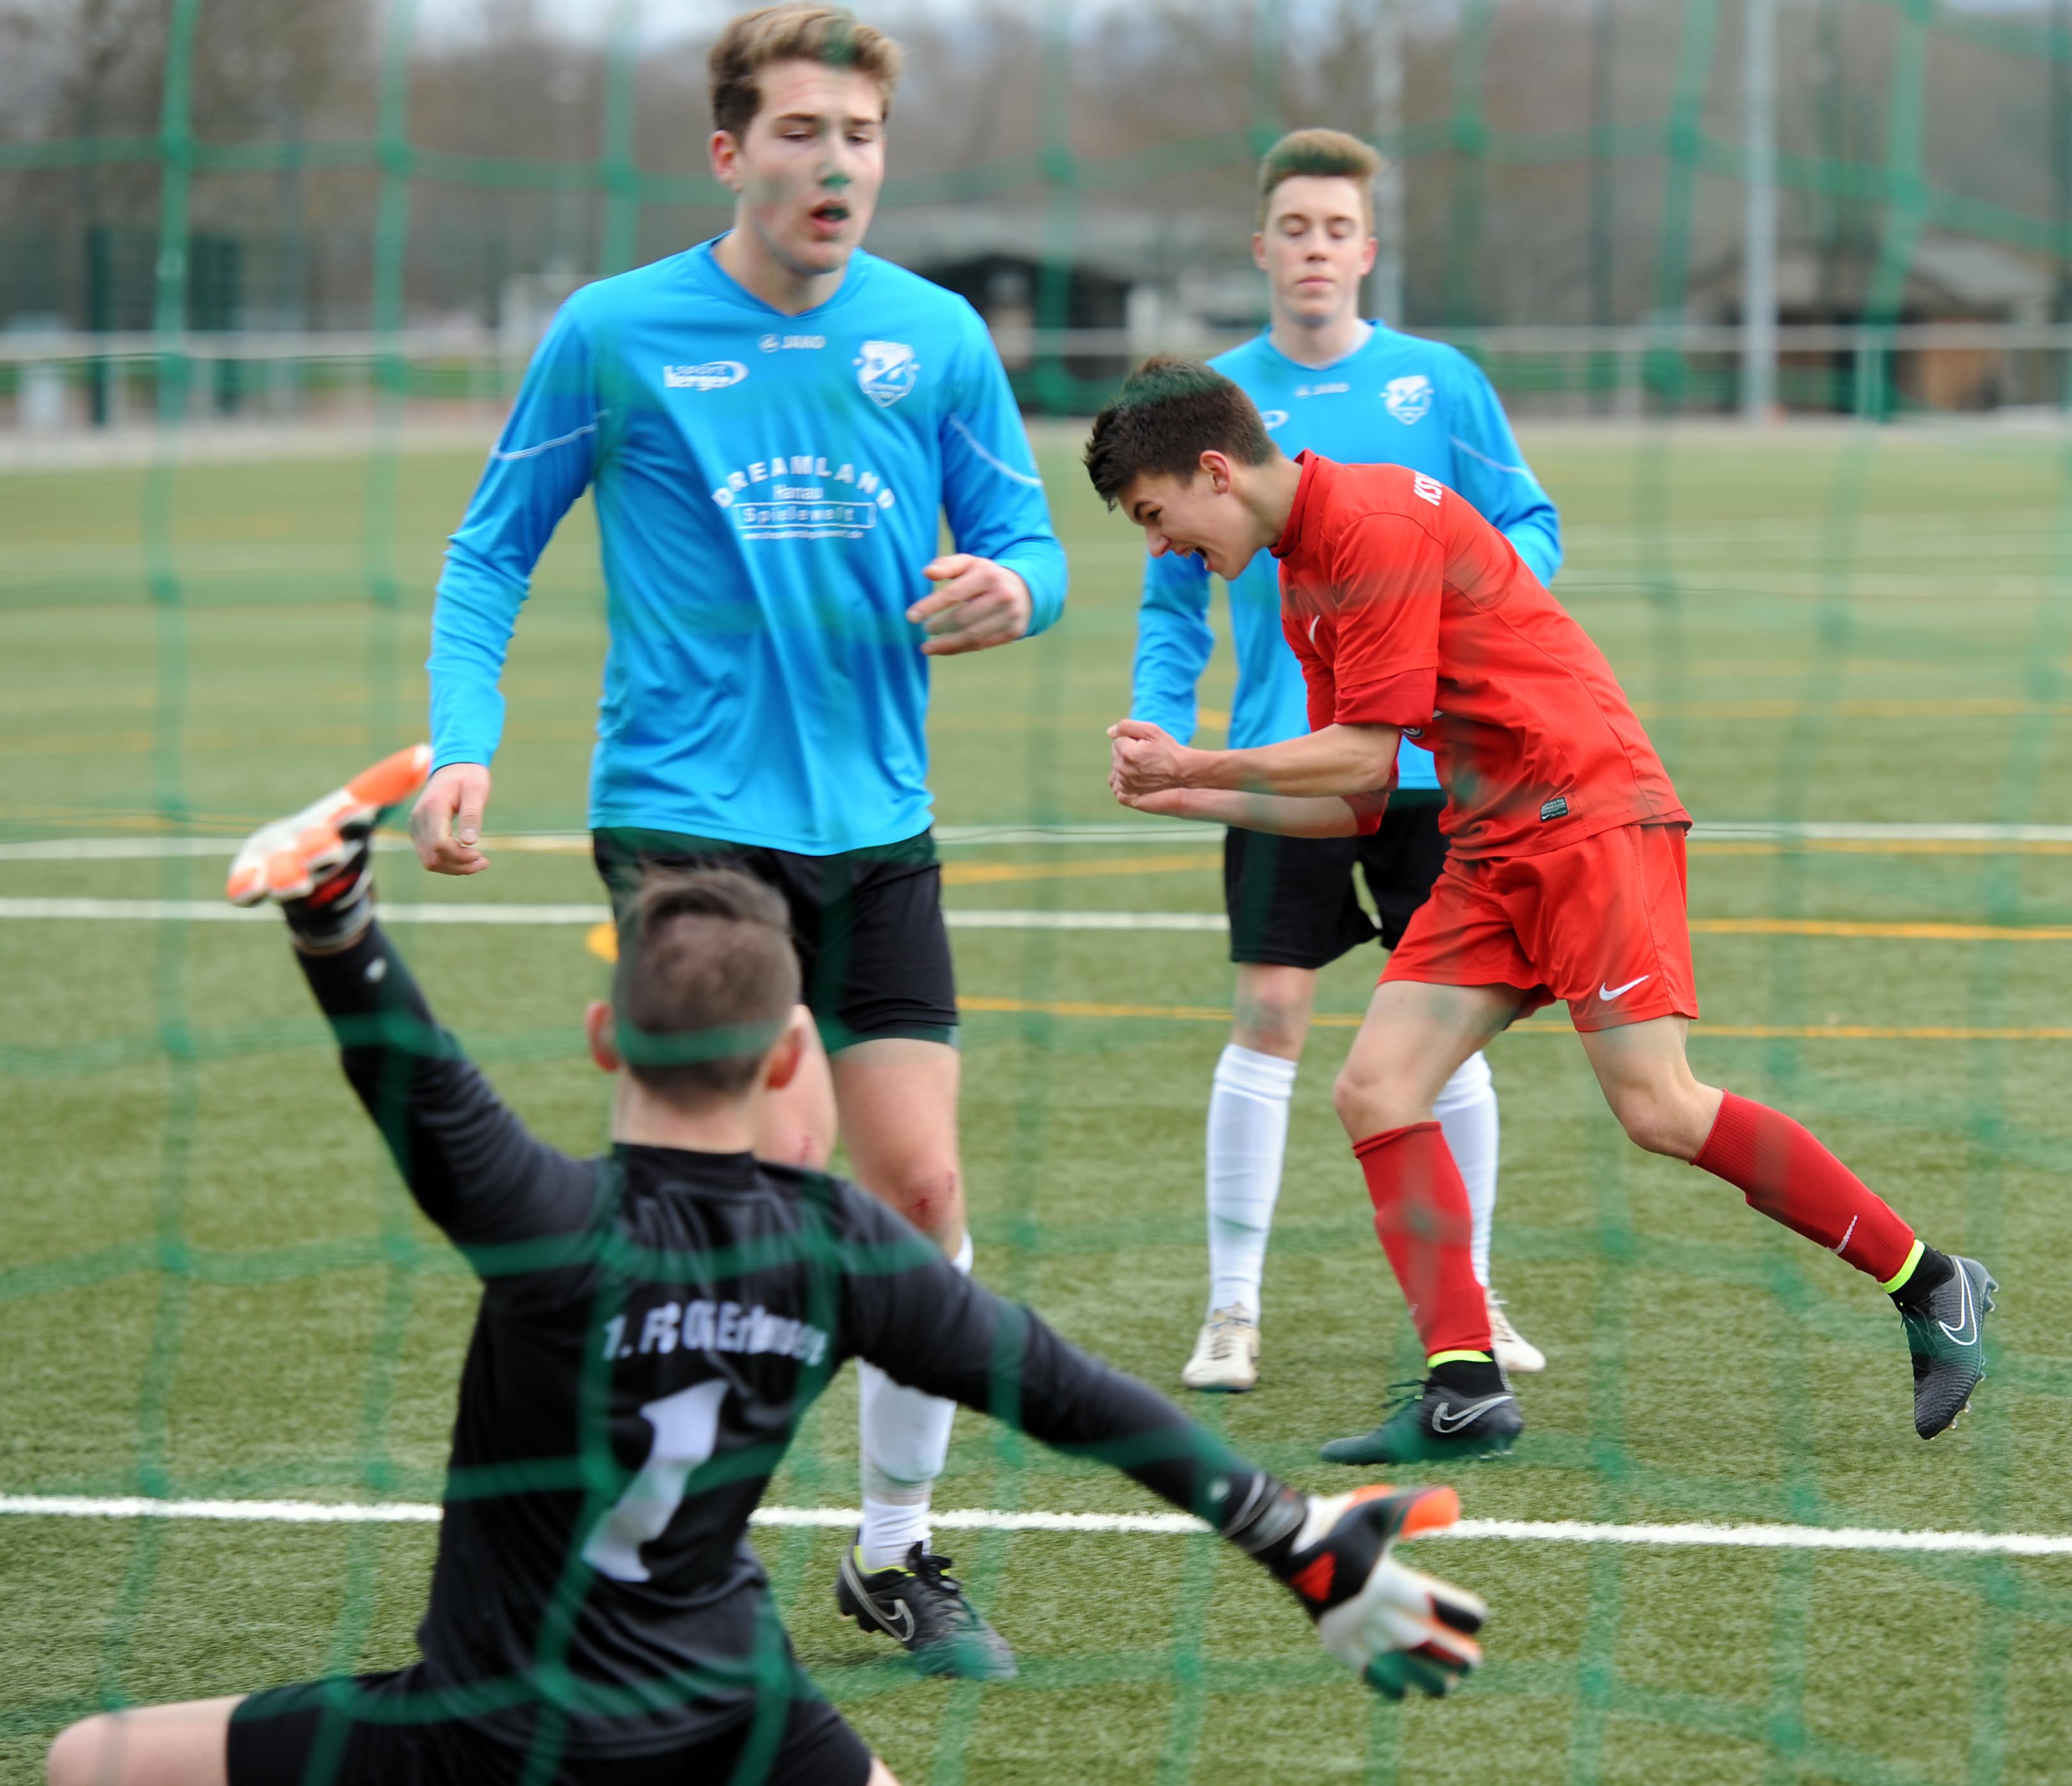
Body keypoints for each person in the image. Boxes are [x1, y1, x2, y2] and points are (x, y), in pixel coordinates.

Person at [43, 749, 1490, 1786]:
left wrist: (333, 917)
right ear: (794, 1054)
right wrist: (1290, 1535)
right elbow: (1074, 1393)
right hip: (732, 1714)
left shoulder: (544, 1220)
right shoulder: (842, 1247)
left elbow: (416, 1081)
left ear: (605, 1037)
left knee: (83, 1755)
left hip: (491, 1727)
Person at [405, 5, 1065, 1676]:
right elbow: (490, 555)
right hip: (689, 825)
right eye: (798, 134)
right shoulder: (618, 332)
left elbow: (1030, 541)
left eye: (859, 136)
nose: (835, 163)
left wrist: (1016, 589)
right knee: (768, 1185)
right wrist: (466, 751)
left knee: (914, 1192)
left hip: (879, 827)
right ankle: (679, 1569)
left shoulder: (936, 338)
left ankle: (896, 1554)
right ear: (728, 152)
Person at [1084, 358, 1997, 1464]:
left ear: (1214, 471)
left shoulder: (1369, 521)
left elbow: (1360, 750)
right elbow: (1364, 799)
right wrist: (1184, 794)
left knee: (1659, 1108)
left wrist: (1196, 759)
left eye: (1152, 514)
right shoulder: (1297, 579)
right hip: (1491, 838)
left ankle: (1932, 1279)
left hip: (1588, 818)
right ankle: (1463, 1384)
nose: (1158, 544)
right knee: (1375, 1089)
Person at [1129, 128, 1559, 1393]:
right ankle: (1231, 1308)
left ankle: (1467, 1306)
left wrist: (1467, 609)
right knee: (1268, 1015)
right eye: (1294, 228)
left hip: (1439, 773)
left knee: (1451, 1040)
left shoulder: (1440, 382)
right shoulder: (1209, 404)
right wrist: (1160, 722)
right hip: (1289, 766)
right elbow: (1168, 600)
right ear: (1260, 247)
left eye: (1337, 229)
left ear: (1366, 251)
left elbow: (1527, 523)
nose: (1315, 249)